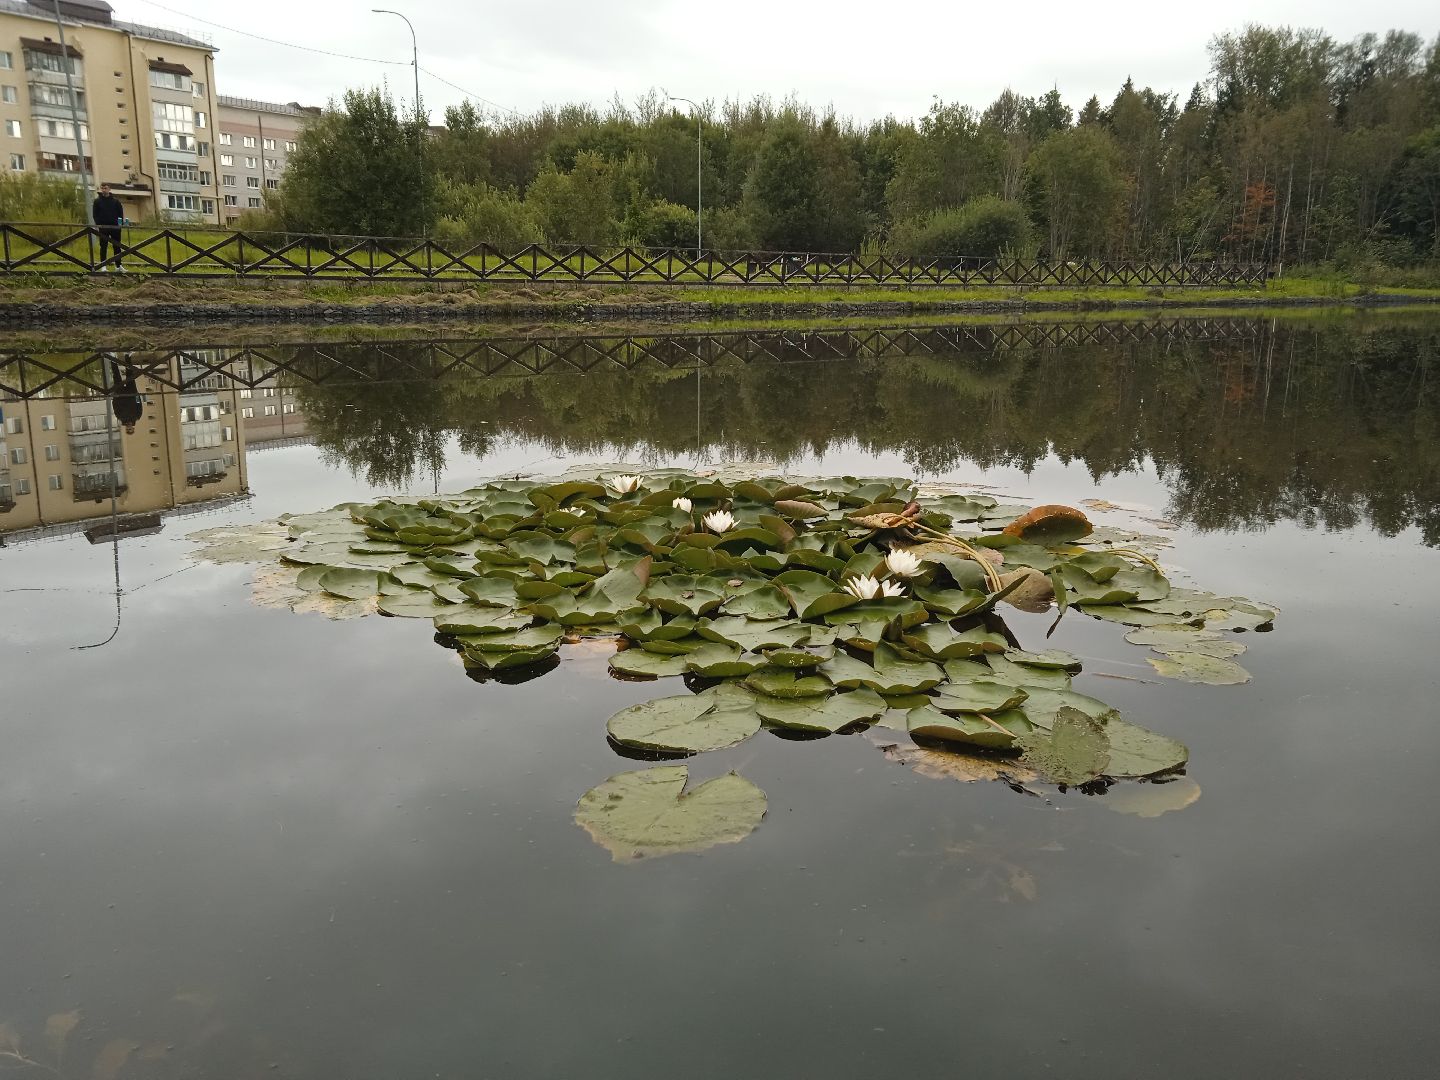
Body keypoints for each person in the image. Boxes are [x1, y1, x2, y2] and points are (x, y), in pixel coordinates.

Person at [92, 184, 125, 272]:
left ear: (109, 189)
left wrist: (120, 224)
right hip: (103, 227)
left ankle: (118, 266)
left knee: (117, 246)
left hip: (115, 227)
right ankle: (103, 266)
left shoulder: (115, 201)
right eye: (102, 188)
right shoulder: (97, 201)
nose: (104, 190)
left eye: (105, 188)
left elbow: (120, 213)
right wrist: (98, 225)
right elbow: (95, 215)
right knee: (103, 246)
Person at [109, 356, 143, 434]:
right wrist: (136, 394)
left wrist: (115, 396)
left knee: (116, 375)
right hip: (131, 392)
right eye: (130, 429)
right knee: (130, 374)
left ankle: (112, 357)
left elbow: (115, 405)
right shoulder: (137, 416)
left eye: (127, 430)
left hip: (120, 394)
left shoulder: (120, 417)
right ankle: (127, 356)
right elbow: (139, 404)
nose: (129, 428)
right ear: (133, 428)